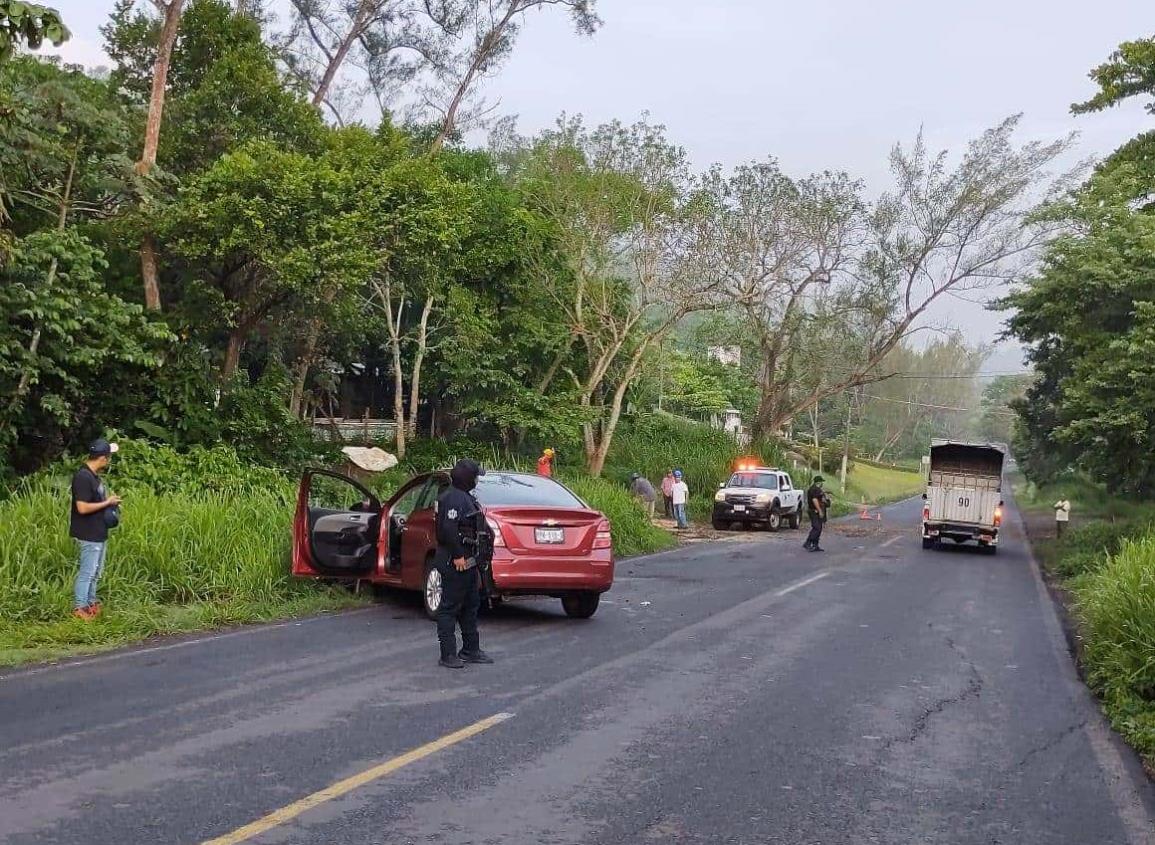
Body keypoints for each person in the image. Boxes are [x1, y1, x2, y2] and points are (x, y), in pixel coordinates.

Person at [434, 459, 494, 669]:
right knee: (450, 607)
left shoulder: (465, 497)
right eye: (476, 476)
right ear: (467, 477)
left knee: (470, 605)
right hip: (454, 560)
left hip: (467, 561)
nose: (478, 480)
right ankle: (447, 654)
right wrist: (459, 555)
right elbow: (448, 530)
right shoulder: (452, 498)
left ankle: (471, 650)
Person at [70, 439, 121, 620]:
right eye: (108, 457)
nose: (108, 461)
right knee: (87, 572)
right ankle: (80, 607)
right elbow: (82, 507)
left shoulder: (94, 476)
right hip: (88, 533)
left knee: (96, 572)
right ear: (103, 458)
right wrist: (107, 502)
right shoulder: (83, 477)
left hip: (99, 532)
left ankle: (91, 603)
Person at [804, 475, 826, 552]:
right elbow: (814, 500)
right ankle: (808, 542)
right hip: (814, 511)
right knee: (817, 528)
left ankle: (815, 545)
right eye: (822, 482)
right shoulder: (815, 489)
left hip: (814, 510)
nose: (822, 483)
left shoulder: (815, 489)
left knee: (819, 528)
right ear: (819, 482)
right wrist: (819, 510)